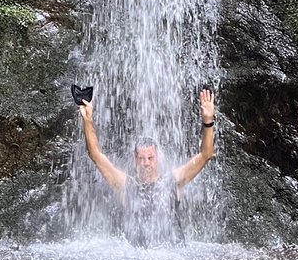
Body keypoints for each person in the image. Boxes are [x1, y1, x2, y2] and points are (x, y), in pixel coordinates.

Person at [78, 89, 217, 247]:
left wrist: (208, 121)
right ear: (135, 159)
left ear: (158, 157)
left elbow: (206, 155)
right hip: (138, 258)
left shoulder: (173, 181)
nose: (146, 163)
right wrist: (88, 120)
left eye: (150, 158)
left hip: (171, 257)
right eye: (141, 158)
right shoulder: (126, 185)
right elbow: (96, 155)